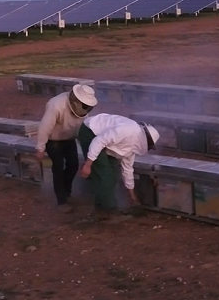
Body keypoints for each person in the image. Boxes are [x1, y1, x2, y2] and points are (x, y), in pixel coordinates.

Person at [77, 113, 159, 221]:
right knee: (105, 175)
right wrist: (88, 165)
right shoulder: (128, 130)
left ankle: (101, 209)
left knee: (113, 174)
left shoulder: (132, 147)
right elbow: (99, 141)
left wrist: (132, 195)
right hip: (90, 131)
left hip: (103, 143)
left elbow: (127, 170)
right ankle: (110, 211)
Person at [35, 84, 98, 213]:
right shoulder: (56, 105)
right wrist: (40, 148)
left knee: (73, 165)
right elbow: (45, 127)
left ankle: (66, 193)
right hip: (54, 140)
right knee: (58, 167)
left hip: (69, 139)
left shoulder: (83, 108)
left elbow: (82, 126)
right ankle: (61, 201)